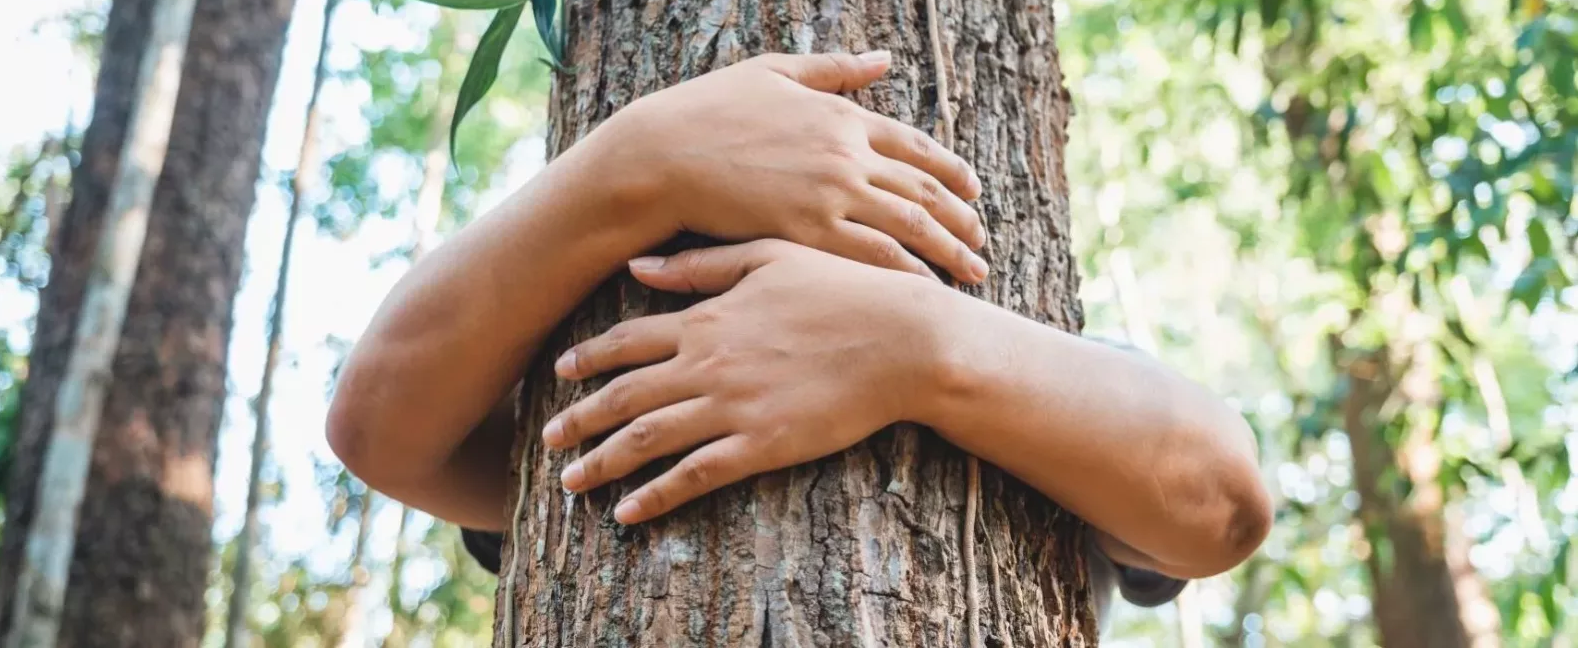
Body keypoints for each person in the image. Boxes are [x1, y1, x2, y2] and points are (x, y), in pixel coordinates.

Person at [326, 51, 1273, 629]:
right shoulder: (593, 382)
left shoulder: (1064, 394)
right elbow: (377, 423)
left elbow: (1222, 502)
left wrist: (910, 342)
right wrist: (643, 162)